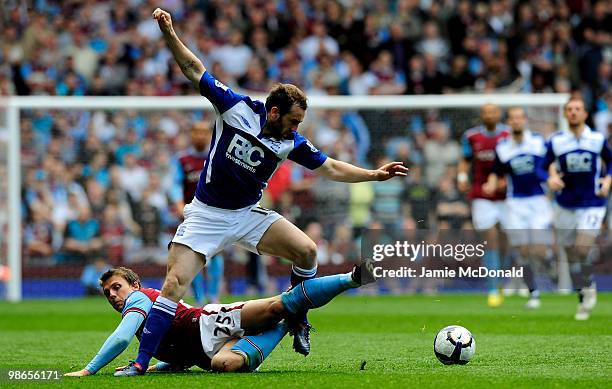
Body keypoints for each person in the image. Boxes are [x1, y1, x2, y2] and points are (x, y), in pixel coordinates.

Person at [115, 8, 408, 377]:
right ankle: (141, 363)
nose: (296, 128)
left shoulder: (291, 142)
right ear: (273, 113)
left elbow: (331, 167)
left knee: (307, 250)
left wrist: (374, 175)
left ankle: (298, 319)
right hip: (206, 213)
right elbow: (193, 69)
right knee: (173, 284)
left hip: (247, 214)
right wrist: (169, 33)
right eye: (293, 121)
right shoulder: (235, 108)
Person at [64, 263, 374, 377]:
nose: (113, 295)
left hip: (210, 323)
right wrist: (162, 365)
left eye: (116, 287)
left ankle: (353, 277)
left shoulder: (140, 299)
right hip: (209, 350)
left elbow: (120, 337)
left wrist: (89, 370)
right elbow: (177, 353)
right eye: (107, 293)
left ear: (134, 285)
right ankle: (291, 325)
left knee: (279, 303)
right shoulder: (144, 320)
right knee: (225, 365)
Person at [540, 96, 611, 320]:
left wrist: (608, 180)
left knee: (582, 248)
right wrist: (550, 177)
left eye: (577, 109)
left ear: (585, 114)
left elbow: (611, 162)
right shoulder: (557, 141)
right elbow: (541, 168)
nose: (573, 112)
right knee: (570, 255)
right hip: (565, 204)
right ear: (564, 114)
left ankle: (588, 286)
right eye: (569, 109)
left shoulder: (597, 139)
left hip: (592, 203)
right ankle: (582, 295)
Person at [483, 107, 553, 309]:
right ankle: (534, 293)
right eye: (512, 118)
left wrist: (553, 178)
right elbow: (496, 171)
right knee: (522, 251)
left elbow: (550, 165)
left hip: (538, 201)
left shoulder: (538, 142)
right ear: (509, 122)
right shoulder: (503, 147)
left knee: (538, 250)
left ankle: (547, 260)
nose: (516, 121)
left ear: (525, 120)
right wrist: (491, 183)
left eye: (519, 118)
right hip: (515, 203)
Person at [458, 103, 510, 307]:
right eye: (486, 112)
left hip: (506, 194)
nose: (489, 115)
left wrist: (507, 180)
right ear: (481, 115)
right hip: (481, 193)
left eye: (493, 112)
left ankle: (503, 278)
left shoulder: (507, 134)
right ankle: (492, 287)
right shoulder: (471, 136)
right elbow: (465, 159)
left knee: (506, 239)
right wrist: (462, 176)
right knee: (490, 238)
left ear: (499, 114)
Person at [174, 121, 224, 305]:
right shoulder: (182, 160)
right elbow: (175, 186)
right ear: (191, 134)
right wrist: (180, 208)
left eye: (204, 132)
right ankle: (199, 298)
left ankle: (213, 297)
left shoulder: (216, 157)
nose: (200, 136)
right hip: (192, 215)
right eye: (197, 132)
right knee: (192, 254)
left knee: (217, 254)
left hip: (215, 213)